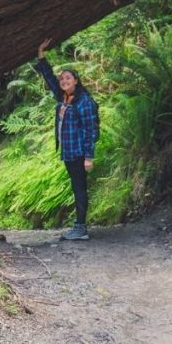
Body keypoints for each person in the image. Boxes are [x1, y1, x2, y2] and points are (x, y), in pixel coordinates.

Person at [34, 39, 100, 241]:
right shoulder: (63, 98)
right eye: (62, 79)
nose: (63, 81)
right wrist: (40, 55)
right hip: (69, 153)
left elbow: (91, 130)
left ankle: (81, 228)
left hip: (80, 153)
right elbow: (50, 79)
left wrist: (89, 157)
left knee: (79, 187)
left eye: (68, 78)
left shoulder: (84, 101)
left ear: (76, 81)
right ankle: (79, 226)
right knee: (76, 186)